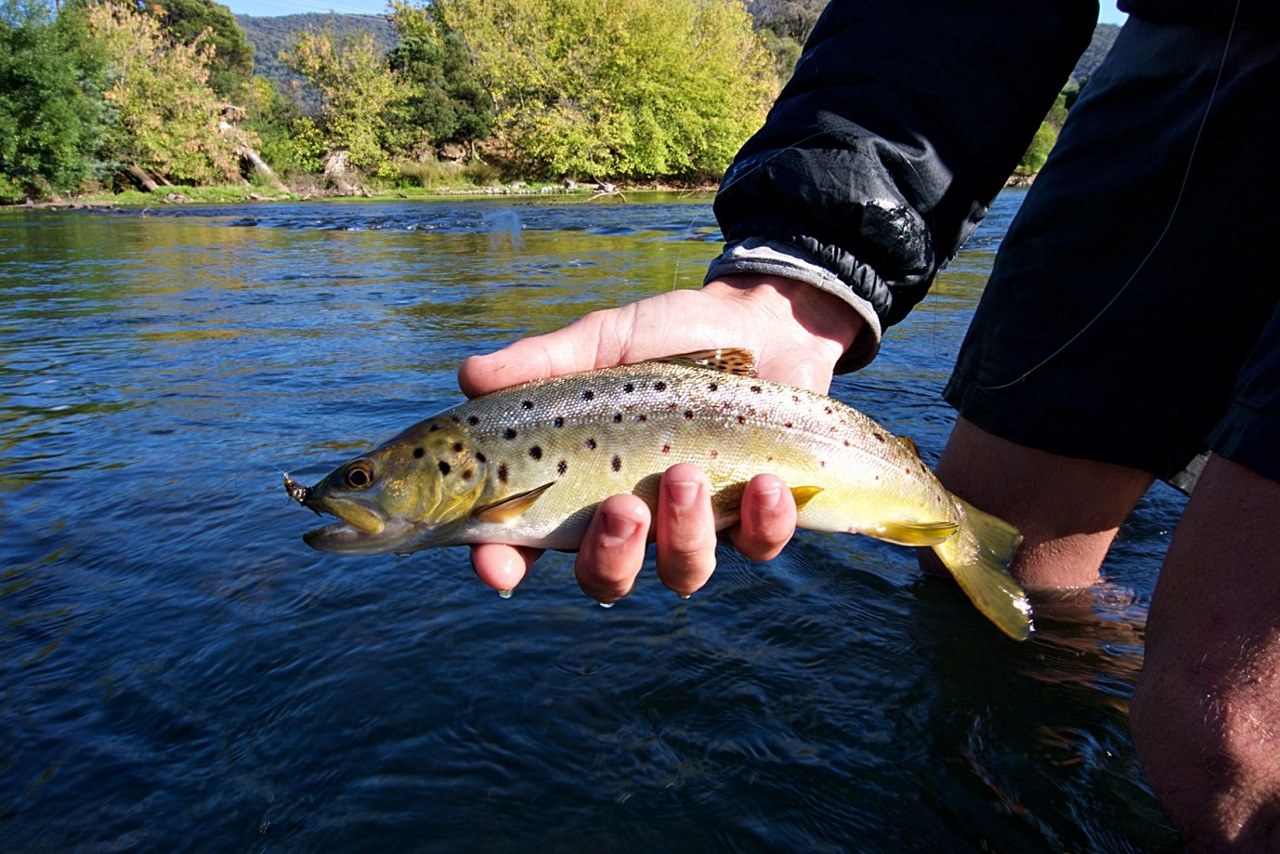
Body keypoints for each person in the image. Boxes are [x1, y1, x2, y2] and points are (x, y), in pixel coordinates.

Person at [458, 0, 1280, 847]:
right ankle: (1017, 798)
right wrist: (792, 277)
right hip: (1189, 48)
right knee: (992, 554)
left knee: (1230, 732)